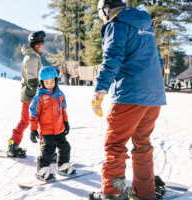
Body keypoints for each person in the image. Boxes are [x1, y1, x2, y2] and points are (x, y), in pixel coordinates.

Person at [88, 0, 166, 200]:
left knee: (115, 144)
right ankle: (145, 192)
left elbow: (112, 58)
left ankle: (113, 193)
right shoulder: (146, 27)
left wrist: (99, 90)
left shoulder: (117, 24)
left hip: (130, 95)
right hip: (154, 96)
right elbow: (158, 59)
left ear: (106, 9)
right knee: (142, 144)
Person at [29, 66, 75, 181]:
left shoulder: (60, 94)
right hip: (47, 130)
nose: (50, 84)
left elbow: (63, 110)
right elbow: (34, 114)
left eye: (52, 81)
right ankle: (42, 170)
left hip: (59, 128)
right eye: (47, 82)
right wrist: (33, 129)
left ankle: (63, 165)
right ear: (42, 82)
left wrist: (66, 122)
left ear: (56, 80)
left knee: (65, 147)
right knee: (48, 150)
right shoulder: (39, 97)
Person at [6, 31, 45, 157]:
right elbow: (33, 80)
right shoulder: (31, 59)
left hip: (29, 95)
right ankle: (46, 150)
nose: (40, 45)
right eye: (37, 43)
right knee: (43, 121)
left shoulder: (34, 57)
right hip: (32, 96)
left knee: (25, 121)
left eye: (42, 42)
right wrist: (41, 96)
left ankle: (13, 144)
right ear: (32, 44)